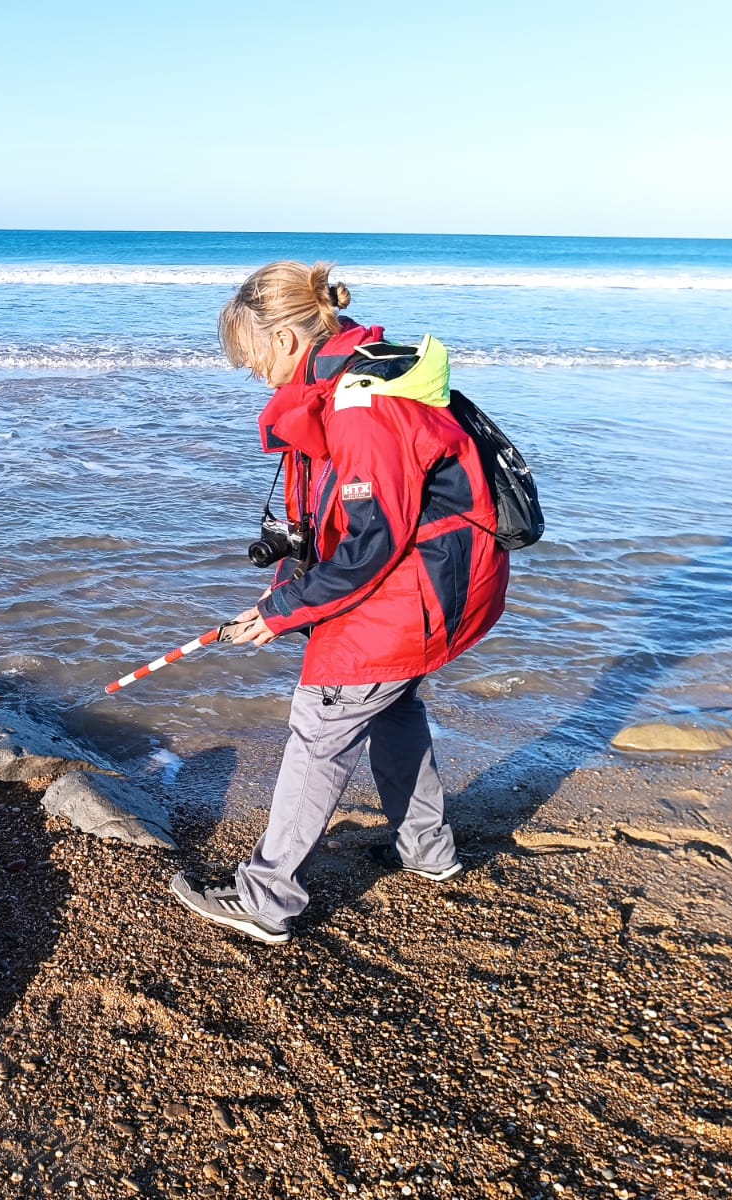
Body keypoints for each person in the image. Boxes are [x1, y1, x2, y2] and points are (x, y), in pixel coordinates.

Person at [169, 262, 510, 944]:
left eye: (253, 355)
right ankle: (428, 853)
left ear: (288, 342)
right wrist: (285, 592)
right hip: (446, 583)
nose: (252, 372)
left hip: (414, 594)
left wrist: (282, 611)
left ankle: (266, 900)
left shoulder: (363, 406)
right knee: (394, 706)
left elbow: (368, 548)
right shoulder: (357, 369)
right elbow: (346, 521)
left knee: (320, 726)